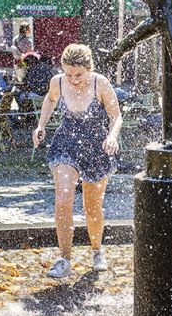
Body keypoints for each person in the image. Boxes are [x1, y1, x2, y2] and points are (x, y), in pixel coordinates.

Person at [33, 43, 122, 277]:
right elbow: (50, 100)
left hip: (96, 146)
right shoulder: (58, 81)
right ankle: (64, 258)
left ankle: (96, 250)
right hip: (66, 143)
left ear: (89, 69)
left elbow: (116, 115)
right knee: (63, 198)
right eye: (69, 73)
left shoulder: (99, 83)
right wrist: (41, 125)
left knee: (92, 209)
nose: (73, 79)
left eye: (78, 74)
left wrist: (112, 136)